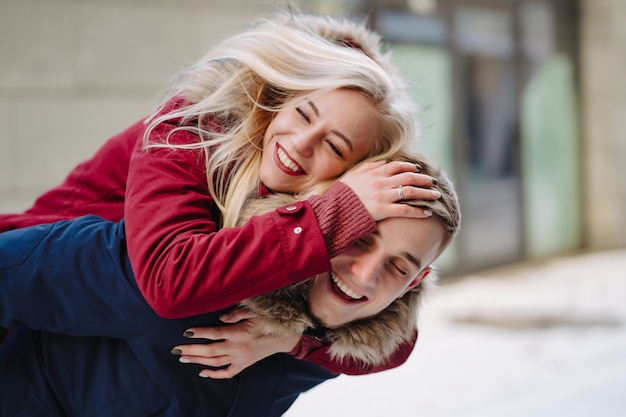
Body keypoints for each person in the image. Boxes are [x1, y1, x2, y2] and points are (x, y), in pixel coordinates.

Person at [0, 11, 440, 374]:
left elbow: (393, 337)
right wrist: (334, 215)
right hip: (25, 293)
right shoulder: (194, 126)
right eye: (304, 114)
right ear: (280, 98)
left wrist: (294, 340)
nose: (303, 143)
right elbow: (166, 281)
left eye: (334, 146)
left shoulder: (312, 202)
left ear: (351, 172)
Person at [0, 151, 460, 417]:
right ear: (326, 211)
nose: (364, 274)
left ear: (415, 284)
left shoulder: (342, 335)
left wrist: (296, 341)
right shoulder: (178, 266)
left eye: (398, 268)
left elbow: (392, 346)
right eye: (359, 238)